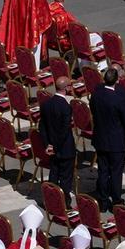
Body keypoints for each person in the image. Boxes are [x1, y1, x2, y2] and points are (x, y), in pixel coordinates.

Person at [91, 67, 125, 211]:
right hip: (116, 140)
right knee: (116, 172)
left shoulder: (96, 93)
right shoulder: (120, 98)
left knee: (103, 170)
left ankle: (103, 201)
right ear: (117, 79)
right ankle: (116, 200)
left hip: (101, 138)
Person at [0, 0, 51, 67]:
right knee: (34, 44)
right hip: (30, 23)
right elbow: (43, 9)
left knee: (15, 39)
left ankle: (15, 62)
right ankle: (33, 68)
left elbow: (6, 1)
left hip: (16, 20)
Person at [40, 75, 76, 204]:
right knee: (66, 178)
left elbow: (42, 127)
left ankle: (51, 201)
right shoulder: (66, 107)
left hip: (51, 147)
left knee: (54, 174)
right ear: (66, 88)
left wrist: (48, 145)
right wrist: (55, 146)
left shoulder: (46, 104)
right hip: (64, 149)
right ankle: (64, 203)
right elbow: (64, 131)